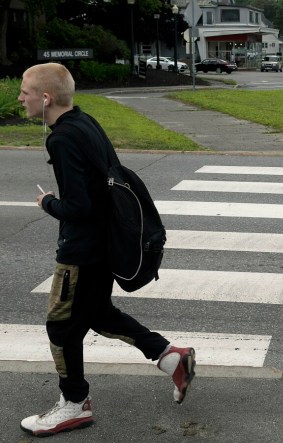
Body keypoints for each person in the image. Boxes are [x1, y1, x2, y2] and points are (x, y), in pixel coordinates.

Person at [17, 62, 195, 437]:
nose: (20, 97)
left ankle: (73, 404)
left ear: (45, 98)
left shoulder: (61, 138)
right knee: (97, 313)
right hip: (104, 245)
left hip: (81, 252)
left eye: (25, 91)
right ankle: (169, 357)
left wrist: (48, 203)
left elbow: (80, 207)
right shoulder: (84, 122)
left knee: (61, 326)